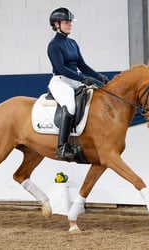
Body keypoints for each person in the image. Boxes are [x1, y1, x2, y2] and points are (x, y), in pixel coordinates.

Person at [47, 7, 109, 160]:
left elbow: (83, 65)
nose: (70, 25)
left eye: (70, 22)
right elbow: (61, 68)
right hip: (61, 81)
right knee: (71, 106)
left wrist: (98, 76)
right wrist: (82, 79)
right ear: (56, 24)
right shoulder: (54, 45)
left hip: (74, 79)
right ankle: (62, 147)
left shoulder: (72, 43)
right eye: (66, 22)